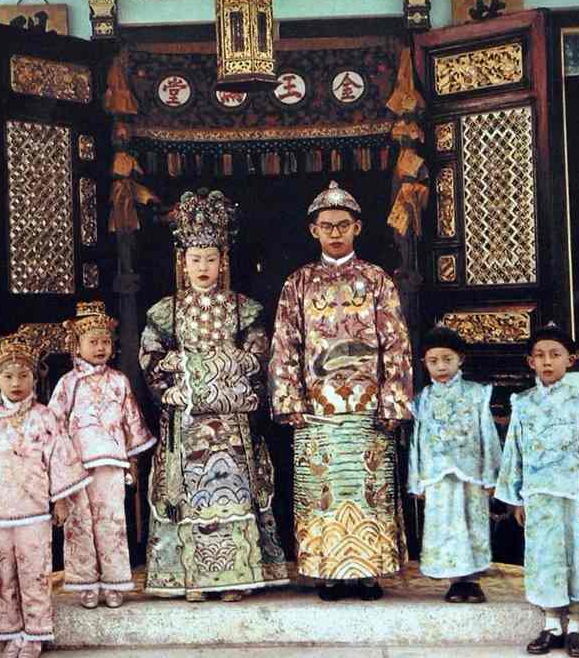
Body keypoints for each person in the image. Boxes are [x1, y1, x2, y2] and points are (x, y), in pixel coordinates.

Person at [139, 188, 288, 601]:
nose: (203, 266)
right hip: (185, 426)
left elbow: (258, 358)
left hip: (232, 427)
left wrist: (194, 368)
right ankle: (191, 580)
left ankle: (236, 577)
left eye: (210, 258)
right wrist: (195, 375)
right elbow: (152, 360)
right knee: (185, 497)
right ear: (182, 262)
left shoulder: (246, 309)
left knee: (234, 493)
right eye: (195, 259)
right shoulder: (164, 311)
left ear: (223, 261)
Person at [269, 180, 413, 601]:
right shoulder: (299, 282)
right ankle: (329, 573)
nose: (335, 233)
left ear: (357, 228)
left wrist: (394, 400)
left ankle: (369, 574)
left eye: (343, 225)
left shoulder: (376, 279)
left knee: (369, 488)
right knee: (322, 492)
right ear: (313, 230)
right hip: (317, 408)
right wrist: (288, 399)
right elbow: (284, 343)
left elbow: (396, 343)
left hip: (369, 409)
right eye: (327, 225)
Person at [0, 335, 91, 658]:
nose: (16, 383)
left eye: (23, 375)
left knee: (34, 574)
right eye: (8, 376)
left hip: (35, 512)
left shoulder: (46, 418)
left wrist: (60, 498)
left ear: (35, 377)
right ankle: (9, 631)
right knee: (2, 575)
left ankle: (34, 634)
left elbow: (60, 458)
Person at [496, 323, 579, 658]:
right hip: (537, 496)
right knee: (543, 557)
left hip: (572, 496)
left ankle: (577, 626)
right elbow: (514, 451)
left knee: (576, 556)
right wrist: (515, 498)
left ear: (570, 360)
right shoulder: (523, 403)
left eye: (555, 354)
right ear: (530, 362)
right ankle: (552, 623)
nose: (547, 361)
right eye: (539, 355)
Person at [48, 301, 156, 609]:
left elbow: (131, 422)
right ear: (77, 345)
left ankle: (114, 582)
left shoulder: (119, 382)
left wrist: (133, 461)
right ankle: (86, 583)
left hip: (110, 464)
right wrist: (59, 471)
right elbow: (54, 429)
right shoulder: (67, 384)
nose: (100, 347)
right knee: (79, 523)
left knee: (112, 522)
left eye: (105, 341)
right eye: (93, 341)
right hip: (76, 468)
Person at [408, 325, 502, 602]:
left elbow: (488, 434)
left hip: (471, 473)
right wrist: (418, 480)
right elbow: (417, 440)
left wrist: (491, 476)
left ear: (460, 358)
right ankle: (453, 581)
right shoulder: (423, 399)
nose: (441, 367)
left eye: (447, 359)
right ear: (424, 363)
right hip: (437, 476)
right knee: (444, 525)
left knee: (472, 522)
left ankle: (471, 580)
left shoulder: (476, 394)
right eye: (433, 361)